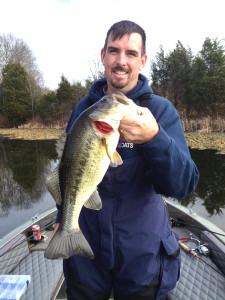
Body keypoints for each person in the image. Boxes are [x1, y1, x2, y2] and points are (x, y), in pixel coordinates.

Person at [55, 20, 199, 299]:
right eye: (114, 51)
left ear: (142, 60)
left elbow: (183, 185)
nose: (121, 61)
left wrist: (155, 138)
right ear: (103, 56)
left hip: (141, 255)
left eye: (131, 53)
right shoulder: (83, 111)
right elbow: (68, 168)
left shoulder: (160, 110)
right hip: (88, 256)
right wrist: (63, 216)